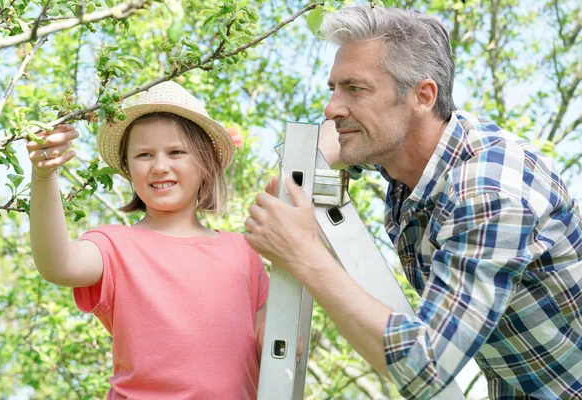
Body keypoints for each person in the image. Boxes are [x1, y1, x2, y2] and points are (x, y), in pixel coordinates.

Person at [245, 5, 582, 400]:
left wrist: (302, 254)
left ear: (422, 96)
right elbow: (332, 142)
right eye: (333, 89)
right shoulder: (409, 157)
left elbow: (426, 366)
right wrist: (307, 162)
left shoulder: (489, 191)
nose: (331, 108)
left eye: (355, 89)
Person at [26, 81, 270, 399]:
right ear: (128, 168)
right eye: (144, 155)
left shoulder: (243, 251)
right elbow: (59, 265)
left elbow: (270, 346)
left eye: (176, 152)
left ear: (205, 162)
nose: (159, 166)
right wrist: (44, 176)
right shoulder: (114, 246)